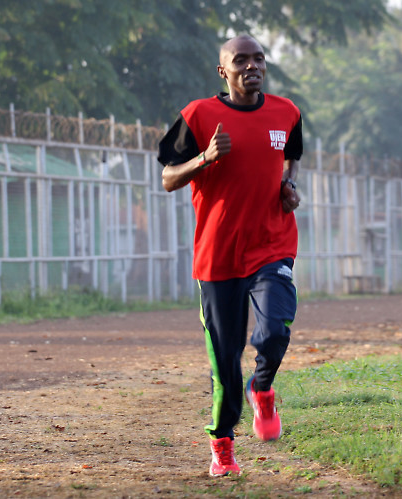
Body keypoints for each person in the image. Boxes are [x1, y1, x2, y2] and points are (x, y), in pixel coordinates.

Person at [157, 35, 302, 477]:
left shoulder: (287, 112)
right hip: (218, 257)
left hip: (271, 243)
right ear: (224, 71)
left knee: (274, 330)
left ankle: (264, 388)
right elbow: (167, 177)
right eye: (240, 60)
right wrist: (204, 157)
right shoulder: (199, 115)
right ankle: (222, 444)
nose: (251, 66)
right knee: (225, 362)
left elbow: (291, 156)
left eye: (258, 58)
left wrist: (289, 185)